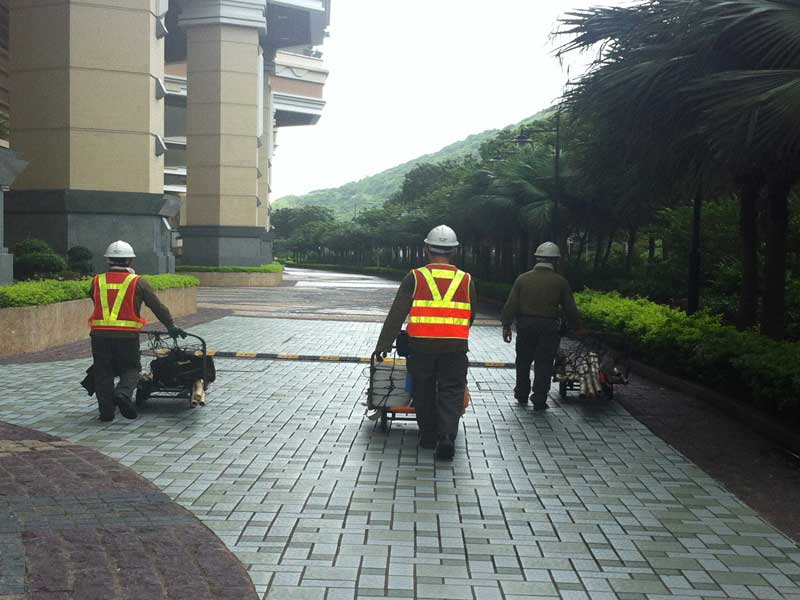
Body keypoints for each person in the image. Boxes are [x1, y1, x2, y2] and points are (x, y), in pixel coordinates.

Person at [374, 225, 477, 459]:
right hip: (455, 348)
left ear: (427, 249)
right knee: (452, 390)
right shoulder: (466, 279)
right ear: (454, 251)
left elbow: (397, 314)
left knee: (424, 390)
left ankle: (429, 437)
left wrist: (383, 346)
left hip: (421, 347)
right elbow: (470, 315)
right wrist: (454, 332)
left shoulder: (415, 277)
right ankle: (447, 436)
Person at [88, 240, 186, 422]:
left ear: (108, 260)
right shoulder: (138, 282)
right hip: (127, 336)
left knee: (103, 372)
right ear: (130, 261)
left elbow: (96, 302)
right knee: (131, 369)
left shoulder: (96, 281)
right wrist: (171, 326)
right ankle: (123, 393)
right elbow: (157, 307)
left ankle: (106, 413)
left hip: (99, 335)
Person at [501, 242, 582, 410]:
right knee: (544, 363)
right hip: (549, 327)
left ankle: (521, 393)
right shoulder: (560, 282)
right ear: (555, 260)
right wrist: (577, 326)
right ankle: (539, 398)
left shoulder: (522, 279)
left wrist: (506, 325)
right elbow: (570, 309)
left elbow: (511, 304)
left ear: (537, 258)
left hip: (525, 325)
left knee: (523, 360)